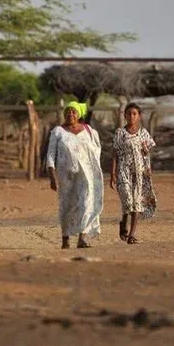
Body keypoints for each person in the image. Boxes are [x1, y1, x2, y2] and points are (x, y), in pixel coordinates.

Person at [46, 101, 104, 249]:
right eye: (68, 111)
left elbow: (96, 150)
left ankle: (82, 237)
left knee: (86, 203)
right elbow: (51, 154)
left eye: (74, 112)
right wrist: (52, 176)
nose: (70, 114)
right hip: (66, 176)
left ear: (79, 115)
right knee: (67, 206)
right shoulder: (58, 131)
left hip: (86, 175)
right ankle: (65, 238)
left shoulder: (88, 130)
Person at [110, 102, 157, 244]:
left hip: (139, 171)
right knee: (127, 199)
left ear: (139, 116)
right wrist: (112, 173)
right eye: (129, 113)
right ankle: (124, 222)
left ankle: (131, 234)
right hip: (123, 170)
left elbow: (148, 151)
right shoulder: (120, 133)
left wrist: (148, 166)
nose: (131, 116)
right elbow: (114, 153)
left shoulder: (144, 133)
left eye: (134, 114)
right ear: (125, 115)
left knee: (137, 202)